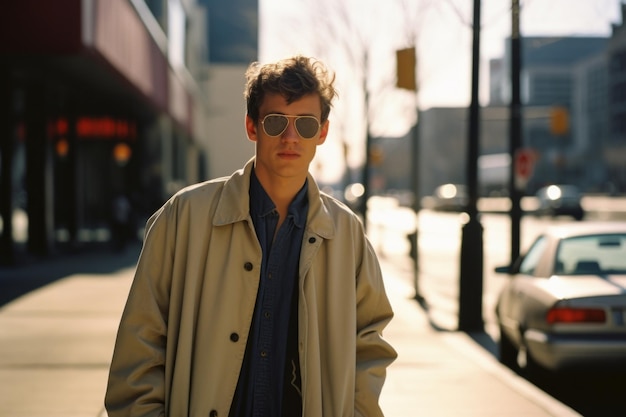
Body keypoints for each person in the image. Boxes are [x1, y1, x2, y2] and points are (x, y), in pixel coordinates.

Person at [105, 55, 397, 417]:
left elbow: (369, 343)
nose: (291, 137)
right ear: (251, 127)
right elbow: (141, 340)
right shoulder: (184, 217)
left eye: (305, 125)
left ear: (322, 133)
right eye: (276, 122)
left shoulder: (346, 234)